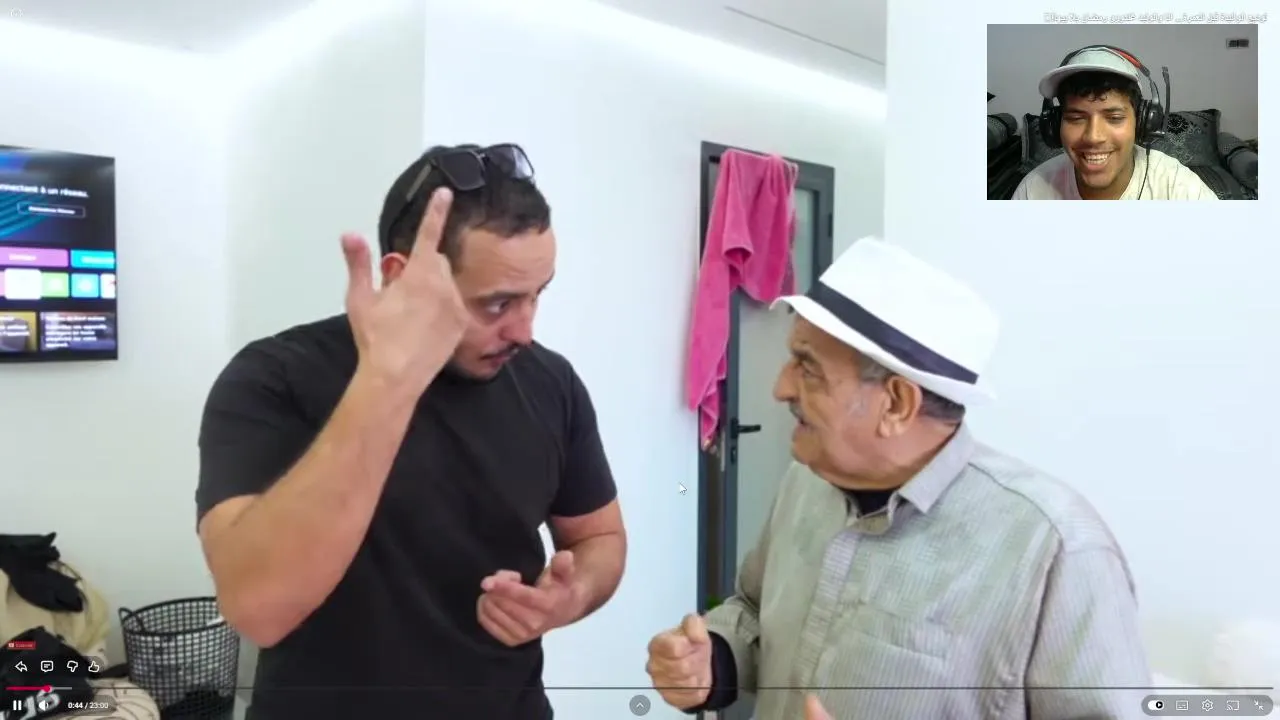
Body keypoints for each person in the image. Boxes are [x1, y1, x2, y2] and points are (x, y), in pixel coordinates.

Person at [195, 144, 627, 720]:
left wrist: (567, 598)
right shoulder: (276, 377)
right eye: (497, 304)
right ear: (403, 277)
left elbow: (600, 537)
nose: (524, 331)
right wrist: (385, 383)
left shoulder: (552, 383)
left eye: (537, 294)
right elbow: (258, 609)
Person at [646, 238, 1152, 719]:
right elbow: (756, 611)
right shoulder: (806, 484)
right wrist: (712, 661)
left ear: (896, 403)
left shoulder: (1055, 551)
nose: (781, 388)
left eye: (808, 368)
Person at [1012, 45, 1216, 200]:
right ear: (1055, 126)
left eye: (1114, 118)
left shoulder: (1180, 189)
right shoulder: (1032, 191)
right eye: (1076, 118)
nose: (1093, 137)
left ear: (1142, 122)